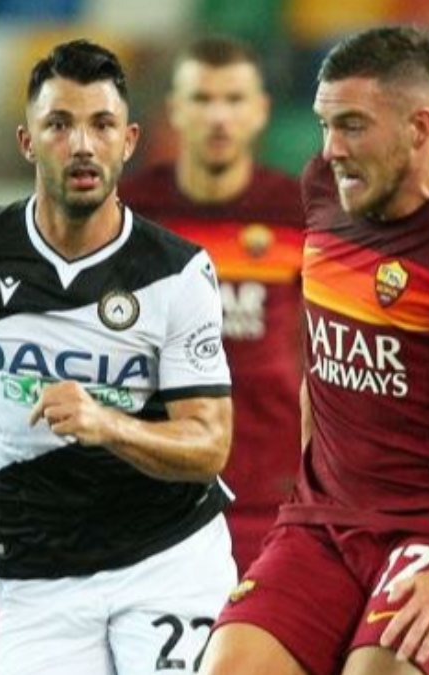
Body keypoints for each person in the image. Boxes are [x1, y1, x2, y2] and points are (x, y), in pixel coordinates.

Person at [0, 40, 237, 675]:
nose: (82, 144)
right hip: (38, 578)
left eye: (102, 125)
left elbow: (210, 443)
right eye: (59, 124)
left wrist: (106, 423)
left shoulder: (177, 273)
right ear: (27, 141)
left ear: (129, 141)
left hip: (168, 560)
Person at [201, 26, 429, 675]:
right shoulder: (324, 193)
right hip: (321, 524)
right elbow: (319, 356)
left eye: (353, 126)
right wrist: (307, 489)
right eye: (325, 125)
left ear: (419, 127)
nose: (331, 149)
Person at [119, 36, 303, 573]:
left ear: (260, 110)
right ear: (175, 110)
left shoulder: (299, 214)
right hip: (155, 497)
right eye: (202, 99)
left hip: (274, 497)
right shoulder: (129, 215)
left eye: (234, 99)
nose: (219, 116)